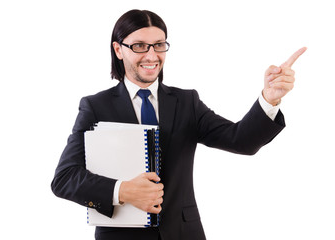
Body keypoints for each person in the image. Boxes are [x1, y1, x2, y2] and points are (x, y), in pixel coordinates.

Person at [51, 9, 306, 240]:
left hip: (184, 234)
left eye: (158, 45)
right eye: (140, 45)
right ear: (118, 50)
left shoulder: (187, 102)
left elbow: (241, 140)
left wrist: (269, 98)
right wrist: (123, 190)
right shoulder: (96, 106)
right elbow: (64, 178)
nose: (152, 55)